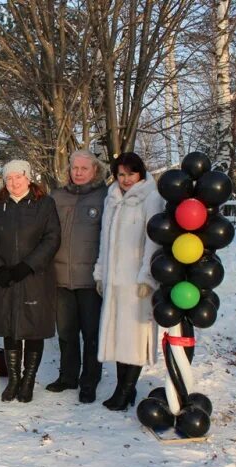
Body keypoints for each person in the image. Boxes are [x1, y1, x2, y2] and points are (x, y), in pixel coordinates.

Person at [0, 160, 60, 402]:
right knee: (10, 328)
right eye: (9, 178)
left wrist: (28, 265)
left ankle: (28, 381)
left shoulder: (44, 204)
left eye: (18, 177)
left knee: (33, 329)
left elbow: (52, 238)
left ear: (28, 177)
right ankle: (13, 380)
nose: (14, 183)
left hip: (35, 277)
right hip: (5, 278)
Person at [94, 152, 164, 411]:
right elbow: (104, 239)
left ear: (141, 174)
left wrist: (147, 275)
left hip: (136, 282)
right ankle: (125, 388)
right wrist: (101, 273)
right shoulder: (112, 198)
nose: (125, 180)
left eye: (131, 174)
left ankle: (124, 392)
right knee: (118, 337)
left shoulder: (151, 197)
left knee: (133, 337)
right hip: (114, 282)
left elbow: (153, 241)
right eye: (121, 174)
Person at [48, 150, 109, 403]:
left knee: (91, 334)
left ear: (95, 171)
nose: (79, 173)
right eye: (75, 168)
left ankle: (89, 381)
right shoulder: (57, 196)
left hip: (90, 279)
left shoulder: (106, 198)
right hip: (61, 277)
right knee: (66, 332)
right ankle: (68, 376)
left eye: (85, 168)